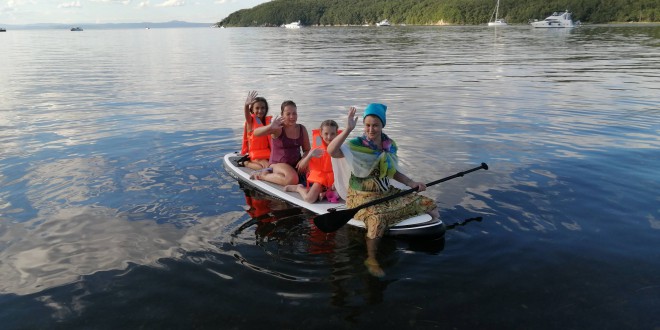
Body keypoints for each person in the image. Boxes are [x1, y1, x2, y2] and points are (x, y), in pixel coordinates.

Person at [327, 103, 439, 278]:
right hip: (360, 196)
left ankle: (432, 235)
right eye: (368, 125)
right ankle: (371, 258)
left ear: (382, 125)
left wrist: (411, 183)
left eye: (375, 125)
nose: (371, 129)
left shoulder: (389, 145)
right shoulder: (356, 144)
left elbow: (391, 171)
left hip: (384, 191)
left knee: (428, 203)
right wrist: (348, 129)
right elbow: (332, 151)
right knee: (377, 218)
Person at [251, 100, 311, 186]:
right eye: (288, 114)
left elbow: (307, 150)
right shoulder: (278, 128)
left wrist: (304, 159)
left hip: (297, 164)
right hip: (277, 164)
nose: (292, 117)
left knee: (317, 169)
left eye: (294, 113)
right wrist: (270, 126)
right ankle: (263, 175)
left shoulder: (302, 129)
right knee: (293, 179)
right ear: (282, 114)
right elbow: (255, 133)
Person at [284, 120, 341, 203]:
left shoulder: (340, 148)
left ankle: (324, 193)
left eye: (332, 134)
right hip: (320, 178)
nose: (329, 137)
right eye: (326, 134)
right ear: (321, 133)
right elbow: (301, 167)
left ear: (337, 134)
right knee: (309, 199)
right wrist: (310, 155)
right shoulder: (316, 148)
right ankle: (299, 188)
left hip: (333, 179)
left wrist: (337, 181)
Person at [240, 91, 271, 170]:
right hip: (255, 155)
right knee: (265, 167)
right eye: (257, 108)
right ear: (252, 110)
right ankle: (246, 163)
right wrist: (246, 105)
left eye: (263, 108)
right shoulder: (250, 121)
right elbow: (247, 114)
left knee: (270, 166)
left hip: (267, 153)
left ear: (266, 109)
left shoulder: (269, 122)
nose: (260, 111)